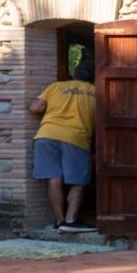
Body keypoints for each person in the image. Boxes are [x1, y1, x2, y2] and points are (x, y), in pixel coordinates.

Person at [30, 54, 97, 231]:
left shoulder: (55, 87)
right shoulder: (97, 93)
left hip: (45, 136)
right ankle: (70, 220)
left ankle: (59, 221)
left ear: (75, 74)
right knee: (79, 180)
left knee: (54, 178)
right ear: (94, 77)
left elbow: (36, 108)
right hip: (75, 138)